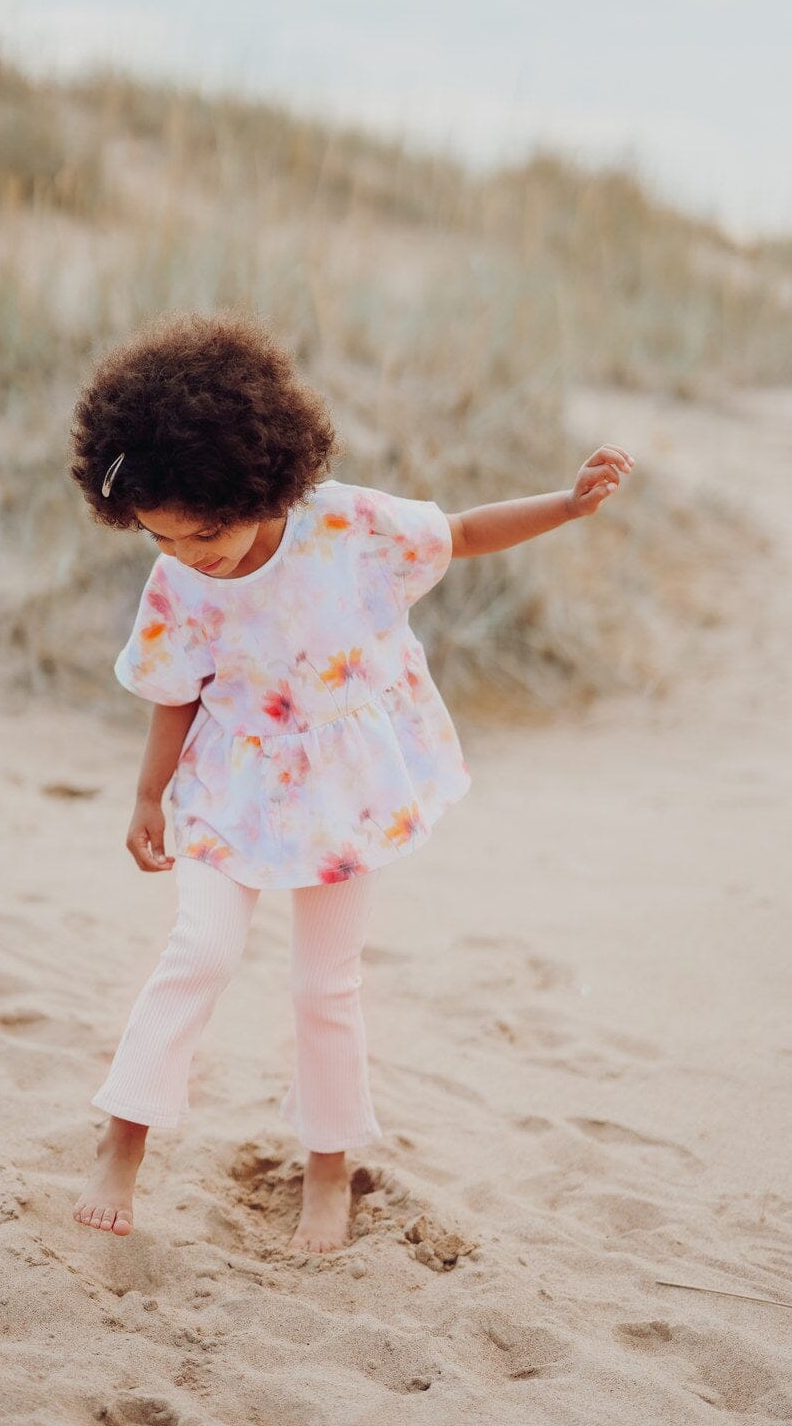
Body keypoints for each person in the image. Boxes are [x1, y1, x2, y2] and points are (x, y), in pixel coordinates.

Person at [66, 309, 634, 1253]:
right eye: (159, 540)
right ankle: (123, 1137)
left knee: (324, 986)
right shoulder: (178, 582)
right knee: (199, 951)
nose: (186, 556)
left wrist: (565, 506)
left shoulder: (348, 526)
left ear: (257, 481)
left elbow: (460, 531)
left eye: (201, 533)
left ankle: (325, 1167)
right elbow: (174, 692)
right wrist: (145, 796)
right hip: (228, 786)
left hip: (343, 792)